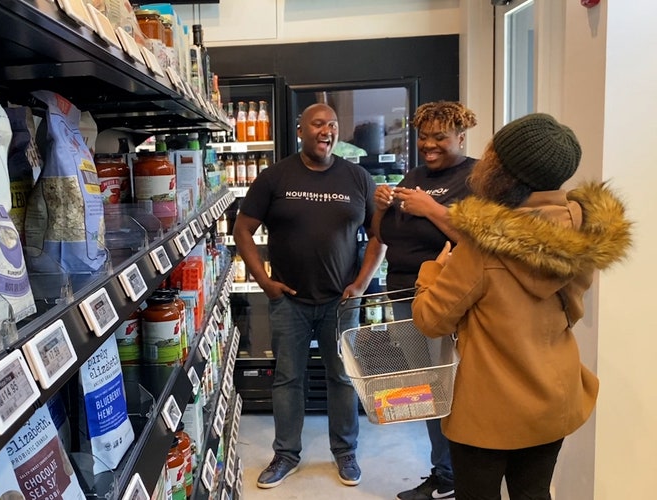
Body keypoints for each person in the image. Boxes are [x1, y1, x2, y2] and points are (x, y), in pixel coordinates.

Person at [411, 113, 632, 499]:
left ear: (505, 171)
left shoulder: (481, 244)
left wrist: (433, 269)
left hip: (486, 410)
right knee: (534, 493)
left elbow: (430, 320)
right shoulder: (584, 231)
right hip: (553, 399)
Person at [233, 103, 380, 488]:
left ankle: (345, 452)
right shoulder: (274, 177)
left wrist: (362, 283)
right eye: (318, 124)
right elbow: (243, 229)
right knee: (287, 379)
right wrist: (264, 282)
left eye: (332, 124)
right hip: (289, 301)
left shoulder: (357, 177)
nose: (326, 130)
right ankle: (286, 455)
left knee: (343, 379)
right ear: (301, 129)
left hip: (341, 301)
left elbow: (380, 234)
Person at [352, 100, 479, 500]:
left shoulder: (476, 177)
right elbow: (384, 235)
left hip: (448, 298)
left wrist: (432, 208)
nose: (429, 144)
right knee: (428, 389)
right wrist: (380, 208)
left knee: (457, 390)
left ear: (461, 136)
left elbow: (478, 241)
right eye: (424, 137)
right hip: (405, 296)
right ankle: (444, 475)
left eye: (440, 137)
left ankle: (464, 477)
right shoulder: (415, 174)